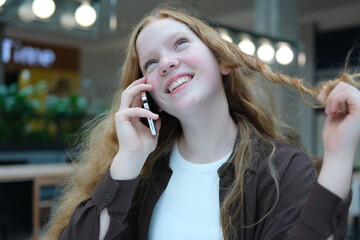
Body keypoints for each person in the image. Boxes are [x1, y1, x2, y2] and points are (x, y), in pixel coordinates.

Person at [43, 6, 360, 240]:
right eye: (150, 63)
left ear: (221, 60)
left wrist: (340, 155)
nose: (166, 62)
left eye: (180, 43)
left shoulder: (283, 169)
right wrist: (129, 158)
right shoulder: (141, 173)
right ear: (146, 91)